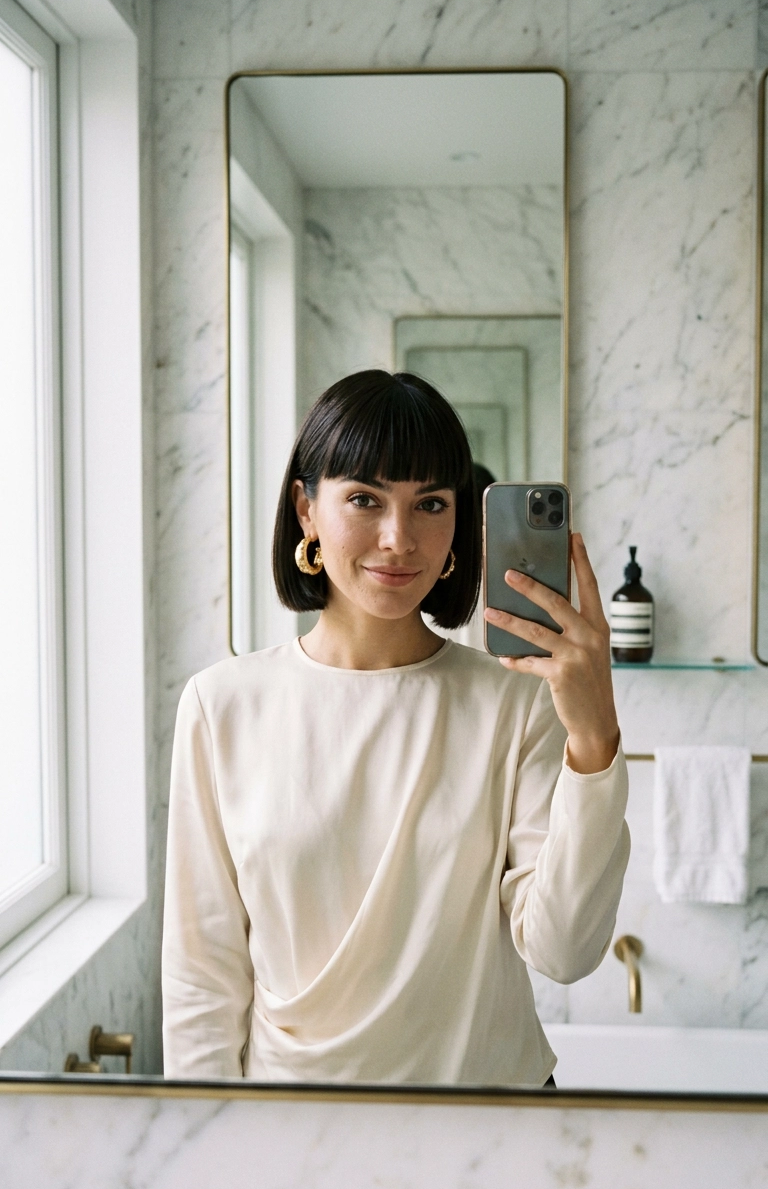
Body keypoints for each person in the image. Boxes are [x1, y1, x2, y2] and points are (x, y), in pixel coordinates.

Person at [162, 370, 629, 1085]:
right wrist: (207, 1148)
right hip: (294, 1136)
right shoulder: (222, 706)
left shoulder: (515, 705)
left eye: (430, 504)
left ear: (460, 524)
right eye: (363, 499)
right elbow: (203, 975)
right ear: (305, 509)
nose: (398, 538)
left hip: (492, 1132)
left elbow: (564, 952)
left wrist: (593, 744)